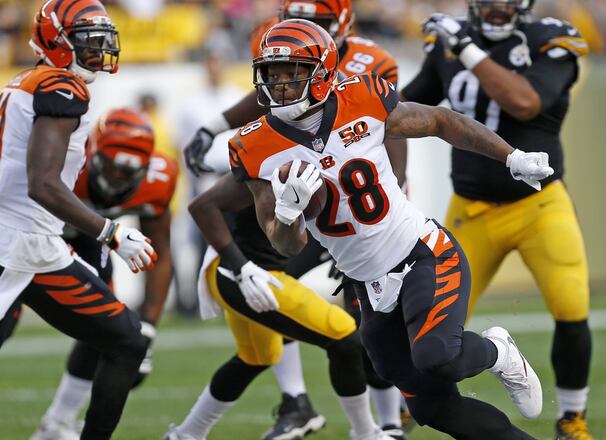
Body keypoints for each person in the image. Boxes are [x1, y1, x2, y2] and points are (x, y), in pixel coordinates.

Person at [214, 19, 552, 439]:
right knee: (432, 405)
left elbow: (441, 121)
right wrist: (287, 213)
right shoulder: (253, 146)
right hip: (367, 287)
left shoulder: (361, 97)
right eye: (271, 73)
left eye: (291, 72)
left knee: (436, 355)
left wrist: (511, 157)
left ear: (321, 73)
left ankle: (499, 351)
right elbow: (285, 246)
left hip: (422, 254)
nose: (278, 83)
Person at [182, 1, 408, 438]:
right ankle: (306, 404)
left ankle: (386, 420)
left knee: (363, 319)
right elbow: (212, 203)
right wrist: (237, 263)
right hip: (264, 258)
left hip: (350, 219)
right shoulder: (264, 144)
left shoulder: (367, 72)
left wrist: (396, 187)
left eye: (317, 23)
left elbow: (393, 126)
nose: (283, 85)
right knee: (344, 330)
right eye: (274, 74)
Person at [399, 1, 594, 439]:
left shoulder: (549, 40)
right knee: (430, 321)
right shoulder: (446, 45)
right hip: (471, 208)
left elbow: (524, 103)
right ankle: (411, 403)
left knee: (570, 304)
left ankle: (572, 418)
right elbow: (407, 106)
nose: (496, 8)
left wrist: (467, 47)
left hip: (539, 206)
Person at [0, 1, 156, 439]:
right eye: (88, 40)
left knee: (126, 339)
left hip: (36, 245)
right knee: (124, 341)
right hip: (15, 242)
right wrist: (110, 232)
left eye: (102, 39)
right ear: (56, 39)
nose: (99, 49)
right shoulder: (59, 86)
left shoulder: (26, 83)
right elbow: (43, 184)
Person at [30, 108, 177, 439]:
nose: (116, 181)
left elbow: (162, 253)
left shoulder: (158, 179)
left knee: (110, 326)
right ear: (91, 153)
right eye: (109, 168)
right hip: (32, 236)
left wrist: (150, 326)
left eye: (128, 174)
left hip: (87, 236)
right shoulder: (69, 160)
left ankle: (57, 422)